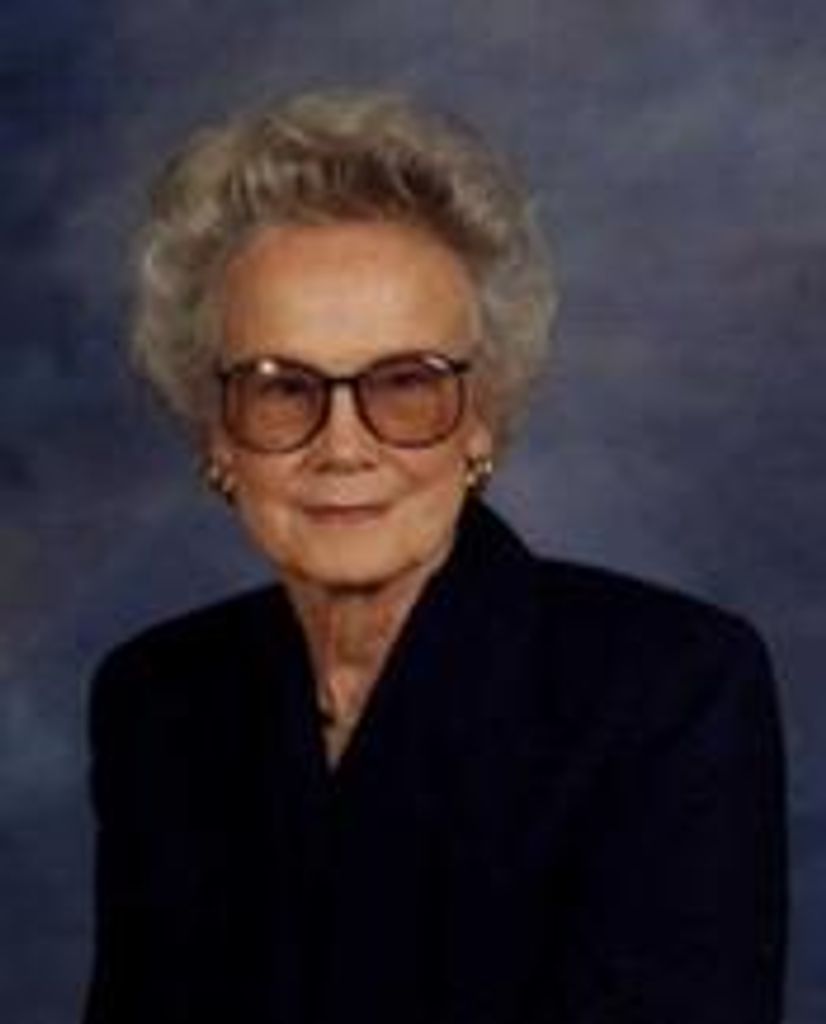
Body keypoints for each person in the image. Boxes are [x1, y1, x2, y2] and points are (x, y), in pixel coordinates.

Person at [83, 89, 786, 1024]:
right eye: (282, 388)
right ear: (217, 434)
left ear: (482, 418)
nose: (343, 446)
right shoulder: (157, 700)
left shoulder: (667, 689)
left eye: (406, 385)